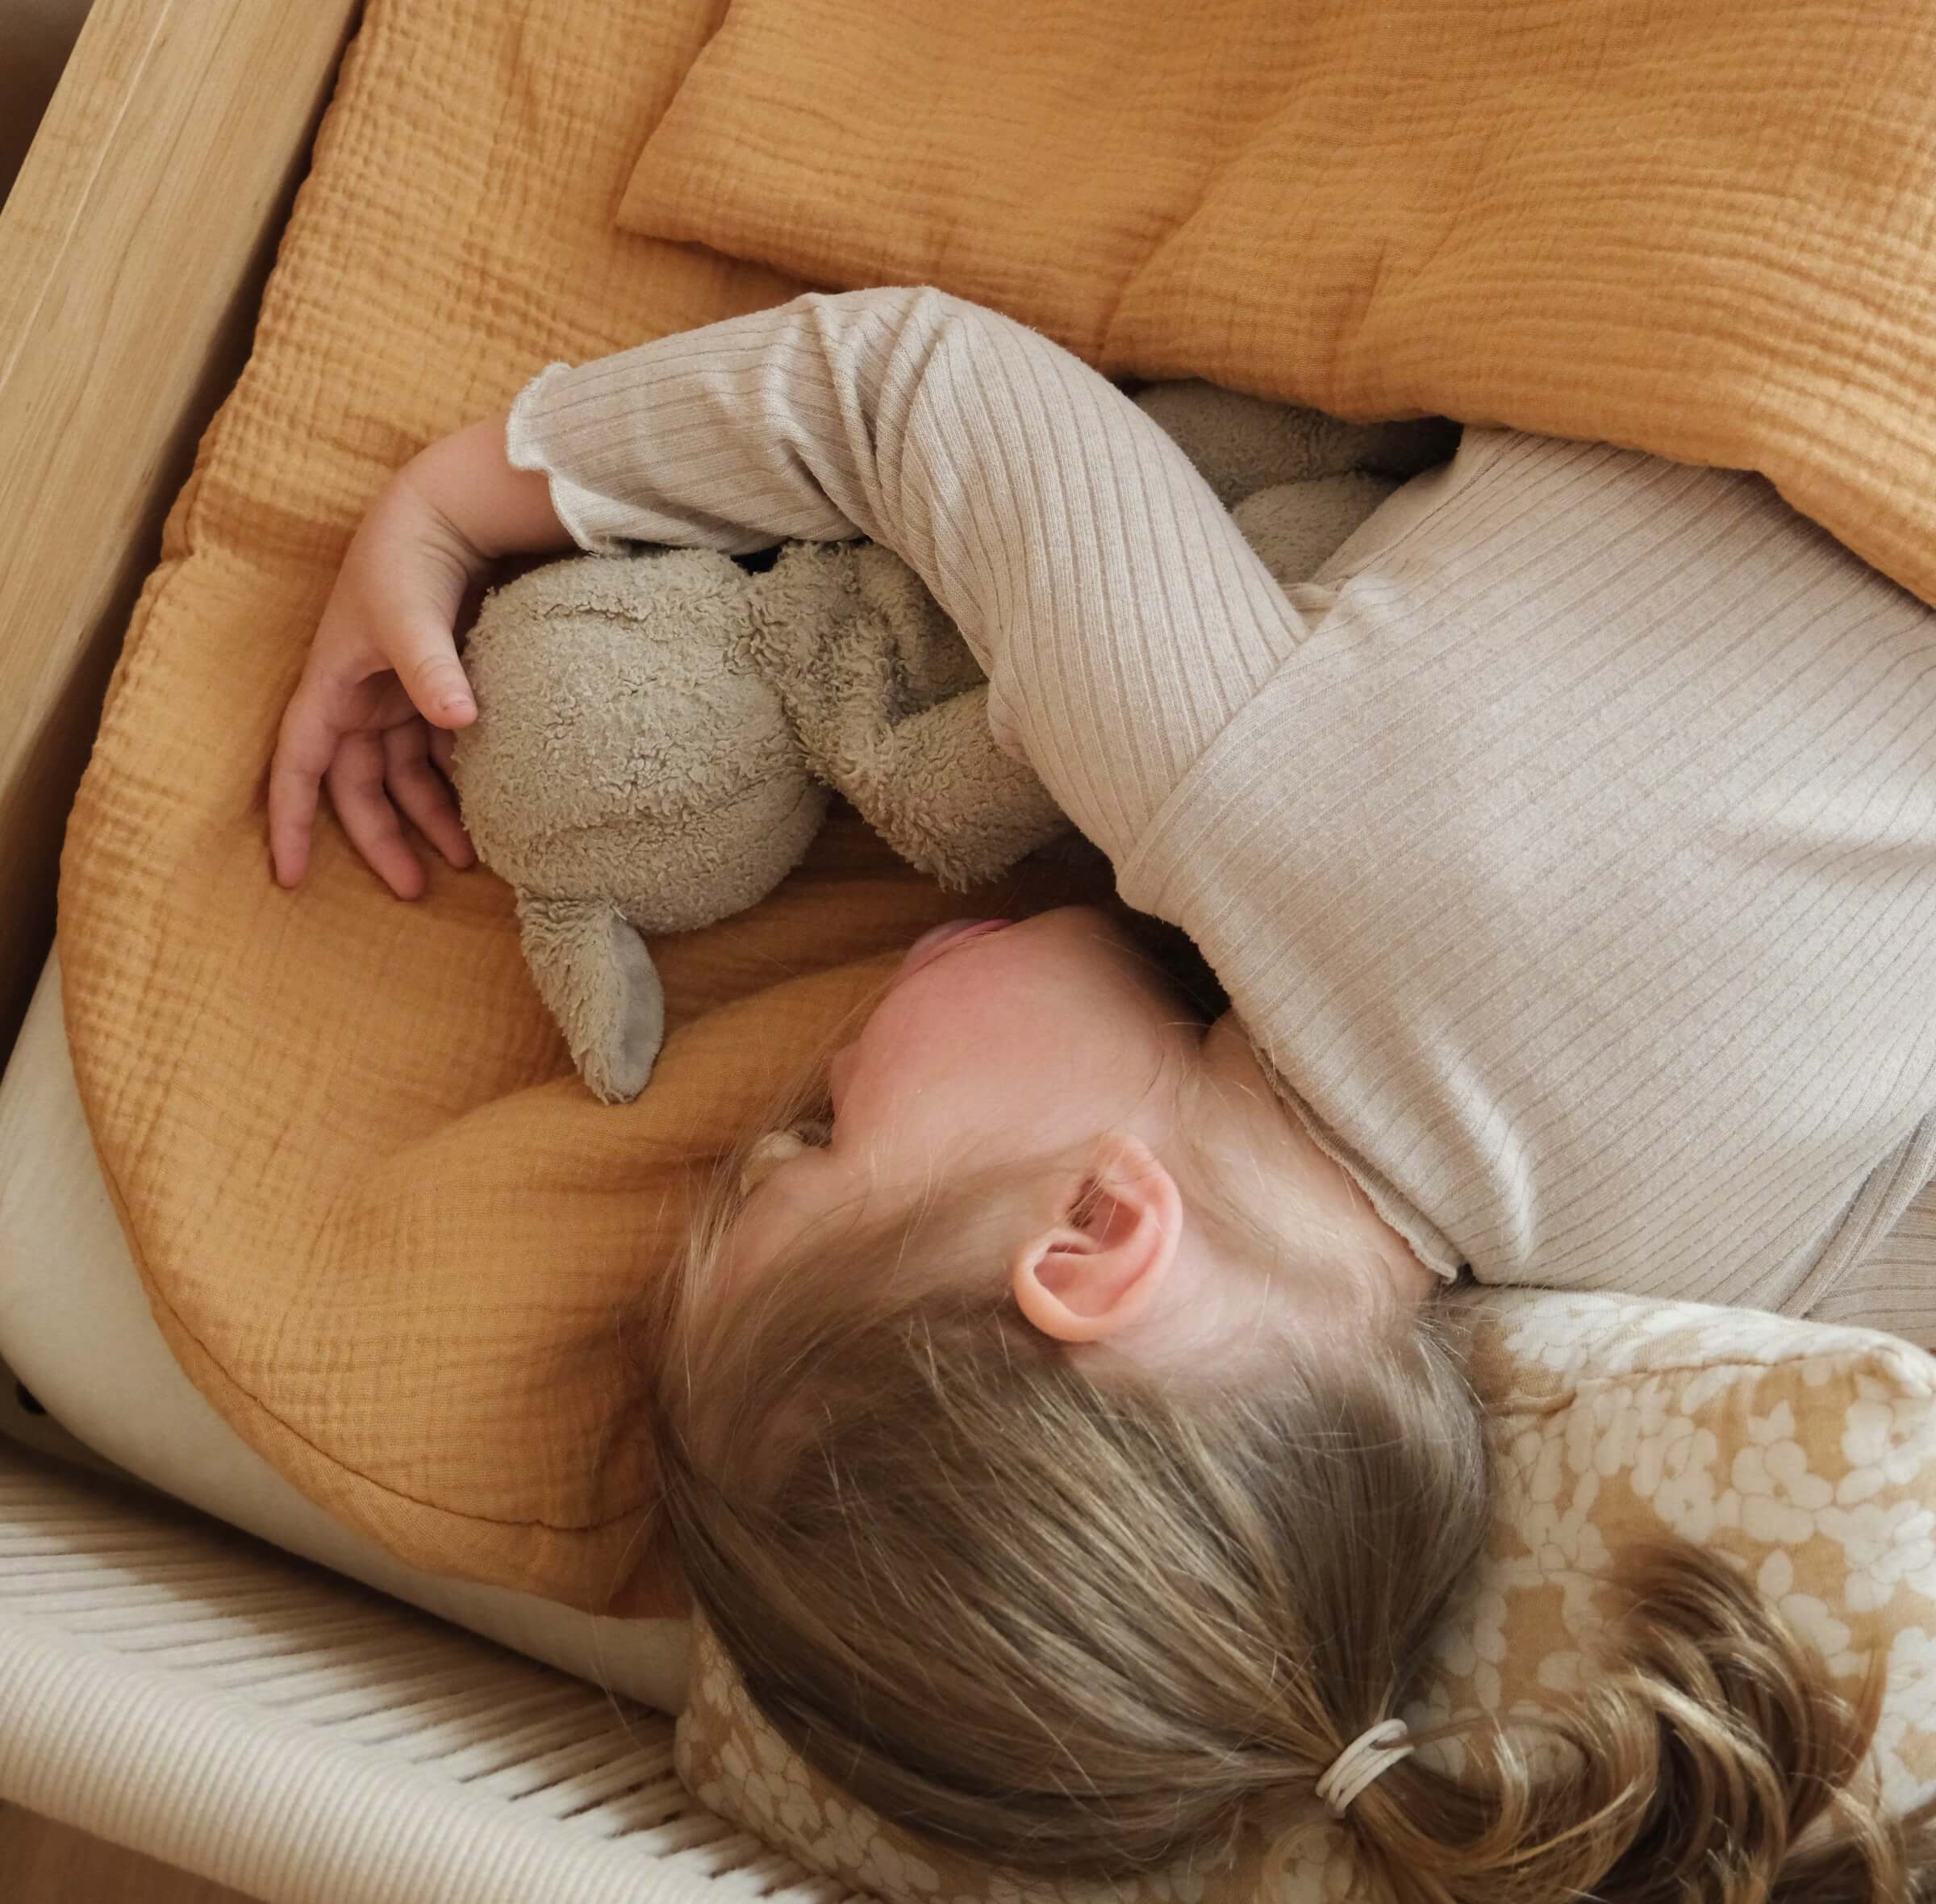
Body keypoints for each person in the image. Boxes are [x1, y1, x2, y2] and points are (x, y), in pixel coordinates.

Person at [269, 286, 1936, 1898]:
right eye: (828, 1132)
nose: (814, 1059)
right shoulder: (1220, 788)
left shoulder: (1752, 1291)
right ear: (1093, 1233)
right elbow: (899, 387)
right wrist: (456, 503)